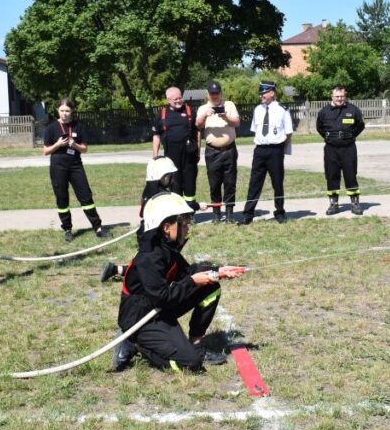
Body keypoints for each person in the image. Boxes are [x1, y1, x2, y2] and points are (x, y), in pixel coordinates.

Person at [112, 192, 246, 372]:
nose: (188, 227)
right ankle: (135, 343)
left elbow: (188, 273)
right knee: (191, 364)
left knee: (210, 285)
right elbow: (163, 297)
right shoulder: (149, 258)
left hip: (159, 308)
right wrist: (192, 281)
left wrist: (218, 272)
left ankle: (197, 345)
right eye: (183, 223)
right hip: (141, 319)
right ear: (167, 227)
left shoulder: (166, 247)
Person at [99, 156, 178, 283]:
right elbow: (177, 206)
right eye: (169, 176)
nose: (171, 179)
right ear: (162, 176)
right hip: (152, 237)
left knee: (148, 265)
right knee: (147, 267)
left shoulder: (150, 189)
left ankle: (115, 269)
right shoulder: (160, 195)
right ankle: (114, 269)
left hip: (149, 234)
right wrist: (196, 206)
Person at [42, 98, 107, 242]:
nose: (65, 114)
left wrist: (74, 145)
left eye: (67, 111)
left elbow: (85, 149)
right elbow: (45, 151)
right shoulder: (51, 128)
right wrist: (58, 144)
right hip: (58, 166)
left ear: (72, 111)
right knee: (62, 197)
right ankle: (67, 229)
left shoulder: (78, 126)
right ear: (57, 111)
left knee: (86, 196)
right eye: (62, 111)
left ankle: (98, 227)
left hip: (75, 165)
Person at [241, 81, 293, 225]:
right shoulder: (258, 109)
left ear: (272, 93)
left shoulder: (283, 109)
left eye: (263, 93)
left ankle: (280, 212)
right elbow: (255, 129)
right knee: (254, 183)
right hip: (259, 150)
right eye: (260, 93)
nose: (261, 96)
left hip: (275, 150)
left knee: (277, 182)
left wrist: (282, 148)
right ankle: (248, 213)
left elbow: (288, 132)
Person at [316, 85, 366, 215]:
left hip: (348, 148)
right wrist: (331, 138)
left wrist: (349, 136)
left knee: (351, 175)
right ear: (332, 96)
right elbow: (319, 128)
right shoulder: (324, 112)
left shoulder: (353, 110)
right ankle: (334, 204)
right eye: (337, 96)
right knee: (331, 175)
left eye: (342, 96)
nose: (339, 99)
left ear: (345, 96)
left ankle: (355, 204)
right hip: (331, 149)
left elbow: (360, 125)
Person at [195, 80, 240, 223]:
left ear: (221, 93)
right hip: (212, 151)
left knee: (230, 182)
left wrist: (225, 117)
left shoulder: (229, 105)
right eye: (212, 93)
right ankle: (216, 214)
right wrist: (205, 116)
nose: (215, 96)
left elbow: (237, 123)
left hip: (229, 149)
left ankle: (230, 214)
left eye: (217, 93)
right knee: (214, 183)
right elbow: (198, 126)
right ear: (208, 94)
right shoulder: (203, 108)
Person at [152, 87, 200, 211]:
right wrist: (155, 156)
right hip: (171, 155)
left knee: (190, 183)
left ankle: (190, 212)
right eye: (175, 99)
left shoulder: (189, 111)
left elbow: (197, 132)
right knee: (175, 184)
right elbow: (156, 135)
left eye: (180, 97)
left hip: (189, 154)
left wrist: (198, 151)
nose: (179, 100)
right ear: (168, 100)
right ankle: (178, 213)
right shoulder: (161, 115)